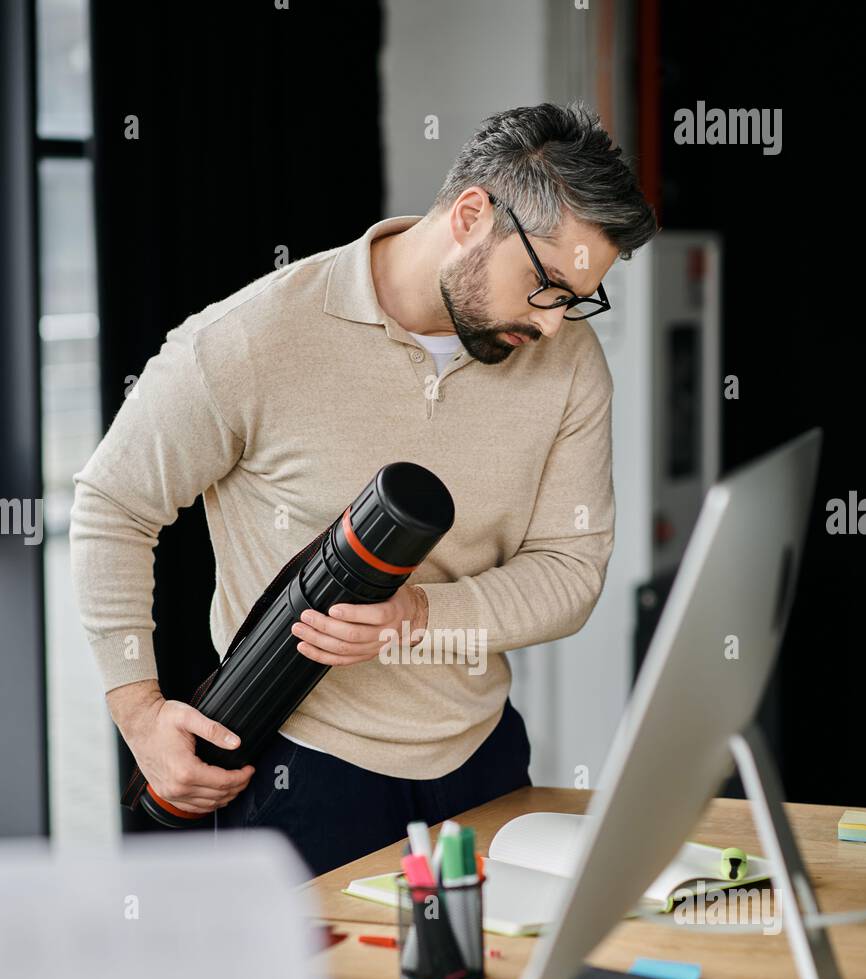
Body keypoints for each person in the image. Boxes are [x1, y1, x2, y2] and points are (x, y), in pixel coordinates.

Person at [70, 102, 657, 876]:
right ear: (472, 215)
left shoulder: (570, 361)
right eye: (547, 287)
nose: (555, 327)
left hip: (482, 758)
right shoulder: (250, 338)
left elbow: (570, 571)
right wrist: (138, 712)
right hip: (297, 773)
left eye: (580, 299)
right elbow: (112, 505)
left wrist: (420, 617)